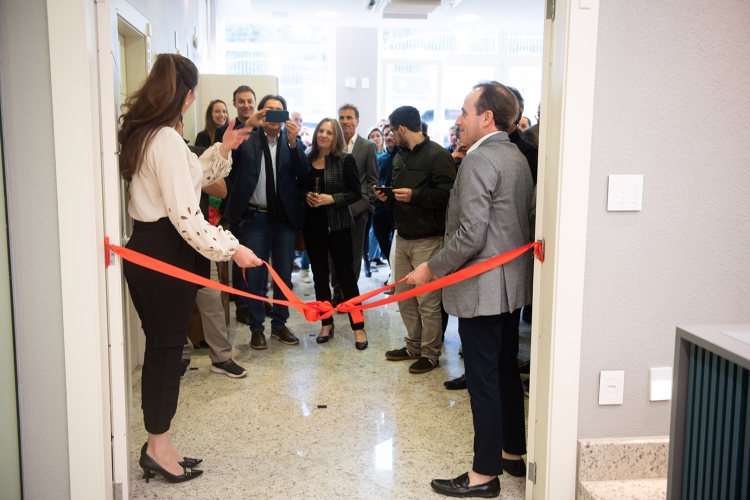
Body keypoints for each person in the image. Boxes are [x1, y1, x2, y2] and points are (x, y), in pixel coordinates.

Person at [118, 53, 260, 483]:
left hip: (155, 249)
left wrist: (224, 147)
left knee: (164, 350)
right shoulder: (163, 138)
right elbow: (186, 215)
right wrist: (233, 248)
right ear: (187, 95)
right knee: (166, 353)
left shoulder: (152, 134)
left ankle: (160, 443)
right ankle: (157, 448)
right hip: (164, 251)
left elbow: (189, 175)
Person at [407, 82, 534, 497]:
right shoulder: (515, 155)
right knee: (504, 371)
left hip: (483, 290)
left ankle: (484, 475)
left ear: (487, 117)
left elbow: (470, 235)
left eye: (464, 112)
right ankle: (511, 453)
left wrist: (431, 267)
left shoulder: (480, 159)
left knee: (483, 380)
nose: (459, 120)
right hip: (509, 289)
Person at [224, 94, 310, 350]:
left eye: (279, 111)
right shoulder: (247, 138)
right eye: (268, 110)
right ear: (261, 113)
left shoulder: (292, 142)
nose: (273, 116)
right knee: (255, 274)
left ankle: (280, 324)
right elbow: (226, 155)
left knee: (283, 274)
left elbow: (304, 173)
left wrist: (293, 142)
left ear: (285, 116)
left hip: (284, 219)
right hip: (254, 217)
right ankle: (257, 328)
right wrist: (247, 125)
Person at [374, 106, 455, 374]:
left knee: (428, 302)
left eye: (392, 131)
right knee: (404, 297)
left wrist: (415, 195)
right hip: (403, 235)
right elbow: (399, 196)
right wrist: (386, 199)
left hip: (428, 239)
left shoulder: (439, 155)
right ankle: (413, 345)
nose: (391, 137)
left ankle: (430, 353)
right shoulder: (399, 156)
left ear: (402, 129)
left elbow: (448, 196)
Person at [175, 119, 247, 380]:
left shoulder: (196, 152)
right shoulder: (156, 153)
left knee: (212, 300)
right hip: (170, 242)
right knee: (175, 303)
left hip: (202, 239)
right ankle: (181, 355)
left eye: (176, 122)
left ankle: (221, 357)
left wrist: (185, 176)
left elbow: (222, 189)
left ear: (181, 126)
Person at [302, 118, 368, 350]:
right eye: (321, 131)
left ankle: (358, 327)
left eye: (329, 132)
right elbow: (299, 187)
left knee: (346, 278)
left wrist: (332, 199)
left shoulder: (345, 160)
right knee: (319, 277)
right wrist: (306, 196)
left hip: (339, 226)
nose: (323, 135)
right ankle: (326, 323)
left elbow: (355, 193)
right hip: (313, 227)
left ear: (336, 136)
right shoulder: (307, 159)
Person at [330, 104, 378, 305]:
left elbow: (372, 179)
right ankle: (337, 291)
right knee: (334, 253)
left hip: (359, 209)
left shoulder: (367, 146)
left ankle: (349, 294)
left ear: (357, 121)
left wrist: (368, 205)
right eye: (341, 117)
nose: (345, 121)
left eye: (349, 118)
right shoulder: (332, 144)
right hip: (334, 208)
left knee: (354, 254)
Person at [371, 124, 397, 266]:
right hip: (380, 205)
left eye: (391, 134)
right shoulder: (380, 159)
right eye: (385, 134)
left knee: (396, 241)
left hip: (396, 206)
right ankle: (393, 267)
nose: (388, 137)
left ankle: (396, 271)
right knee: (381, 237)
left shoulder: (403, 156)